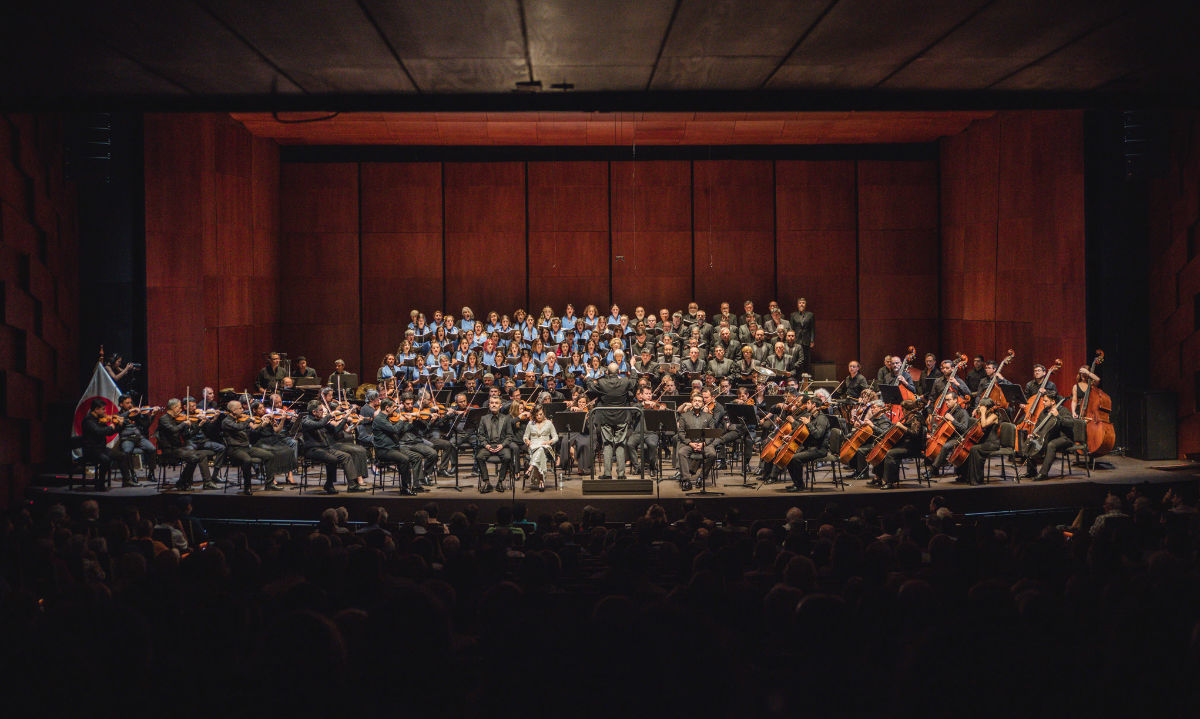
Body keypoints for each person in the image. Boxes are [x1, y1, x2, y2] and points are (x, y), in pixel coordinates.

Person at [587, 362, 637, 480]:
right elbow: (634, 381)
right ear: (619, 372)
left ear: (607, 373)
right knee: (620, 444)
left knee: (607, 444)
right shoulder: (624, 382)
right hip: (622, 417)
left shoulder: (602, 382)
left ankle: (608, 473)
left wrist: (589, 374)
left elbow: (591, 387)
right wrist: (633, 366)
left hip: (606, 417)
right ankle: (621, 474)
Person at [220, 400, 282, 495]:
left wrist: (262, 424)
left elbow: (254, 432)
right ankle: (247, 487)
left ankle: (269, 483)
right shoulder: (226, 421)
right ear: (233, 410)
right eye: (240, 408)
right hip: (234, 449)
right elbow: (238, 427)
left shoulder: (242, 419)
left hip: (246, 448)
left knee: (269, 455)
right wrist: (248, 420)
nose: (242, 410)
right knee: (247, 460)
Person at [156, 398, 218, 490]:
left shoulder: (178, 419)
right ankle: (183, 482)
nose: (181, 410)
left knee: (202, 455)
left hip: (180, 448)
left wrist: (199, 425)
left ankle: (206, 482)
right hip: (169, 449)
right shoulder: (164, 419)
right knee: (194, 457)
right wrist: (184, 424)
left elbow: (188, 435)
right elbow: (173, 430)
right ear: (173, 407)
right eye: (179, 407)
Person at [79, 398, 135, 489]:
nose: (105, 411)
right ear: (96, 409)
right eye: (103, 409)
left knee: (122, 455)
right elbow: (99, 431)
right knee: (105, 459)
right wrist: (111, 426)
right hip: (91, 450)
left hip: (101, 449)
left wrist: (119, 426)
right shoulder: (88, 420)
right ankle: (100, 484)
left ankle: (126, 481)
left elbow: (109, 433)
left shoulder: (101, 419)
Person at [372, 398, 424, 495]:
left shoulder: (386, 418)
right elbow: (395, 429)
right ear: (387, 408)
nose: (395, 409)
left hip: (393, 449)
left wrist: (409, 423)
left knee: (416, 457)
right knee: (404, 459)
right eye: (393, 407)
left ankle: (416, 485)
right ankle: (405, 488)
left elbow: (399, 431)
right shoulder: (380, 419)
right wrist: (400, 420)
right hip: (384, 451)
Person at [1022, 394, 1075, 481]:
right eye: (1043, 400)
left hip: (1065, 438)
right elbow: (1038, 425)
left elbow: (1070, 424)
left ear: (1053, 401)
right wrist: (1033, 433)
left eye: (1045, 401)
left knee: (1051, 445)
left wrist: (1058, 416)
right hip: (1051, 436)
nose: (1043, 402)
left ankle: (1043, 473)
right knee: (1032, 441)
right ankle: (1031, 471)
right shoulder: (1044, 412)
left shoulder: (1063, 410)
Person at [676, 392, 716, 490]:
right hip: (690, 443)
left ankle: (701, 478)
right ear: (691, 402)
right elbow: (681, 433)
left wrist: (704, 443)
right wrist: (690, 443)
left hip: (704, 444)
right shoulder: (684, 416)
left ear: (703, 403)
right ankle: (686, 480)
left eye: (699, 401)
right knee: (681, 452)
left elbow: (712, 433)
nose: (697, 403)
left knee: (712, 454)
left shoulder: (709, 416)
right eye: (695, 401)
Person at [475, 396, 516, 493]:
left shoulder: (506, 419)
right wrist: (486, 445)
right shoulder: (484, 418)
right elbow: (480, 435)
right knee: (479, 456)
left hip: (501, 445)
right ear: (489, 405)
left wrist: (502, 445)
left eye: (496, 403)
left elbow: (509, 436)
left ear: (500, 405)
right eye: (492, 403)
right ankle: (487, 482)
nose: (494, 405)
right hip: (488, 445)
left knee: (507, 457)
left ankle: (500, 482)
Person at [115, 394, 158, 484]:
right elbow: (121, 418)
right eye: (127, 403)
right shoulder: (118, 415)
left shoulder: (136, 414)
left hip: (139, 438)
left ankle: (151, 473)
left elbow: (146, 426)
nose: (130, 405)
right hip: (127, 439)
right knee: (127, 452)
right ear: (121, 404)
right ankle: (132, 474)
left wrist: (153, 415)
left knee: (152, 449)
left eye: (131, 402)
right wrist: (130, 411)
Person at [958, 398, 1000, 486]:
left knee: (974, 449)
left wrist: (983, 413)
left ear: (986, 407)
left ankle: (977, 480)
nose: (979, 408)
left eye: (981, 406)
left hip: (992, 443)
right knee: (969, 448)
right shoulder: (985, 415)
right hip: (984, 442)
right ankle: (966, 476)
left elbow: (984, 425)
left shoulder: (994, 416)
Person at [523, 404, 558, 491]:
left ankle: (530, 468)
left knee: (542, 449)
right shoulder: (530, 424)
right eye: (537, 414)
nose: (539, 416)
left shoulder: (549, 423)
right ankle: (541, 481)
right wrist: (527, 441)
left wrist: (549, 442)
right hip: (533, 447)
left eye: (541, 414)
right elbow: (525, 436)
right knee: (540, 451)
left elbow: (556, 437)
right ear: (534, 414)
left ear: (544, 414)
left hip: (545, 446)